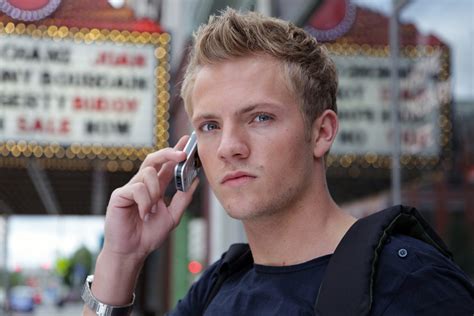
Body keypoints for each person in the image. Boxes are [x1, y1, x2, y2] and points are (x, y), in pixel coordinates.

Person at [83, 8, 474, 316]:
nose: (229, 147)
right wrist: (121, 258)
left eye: (260, 118)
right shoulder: (217, 288)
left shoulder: (412, 283)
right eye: (210, 125)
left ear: (321, 133)